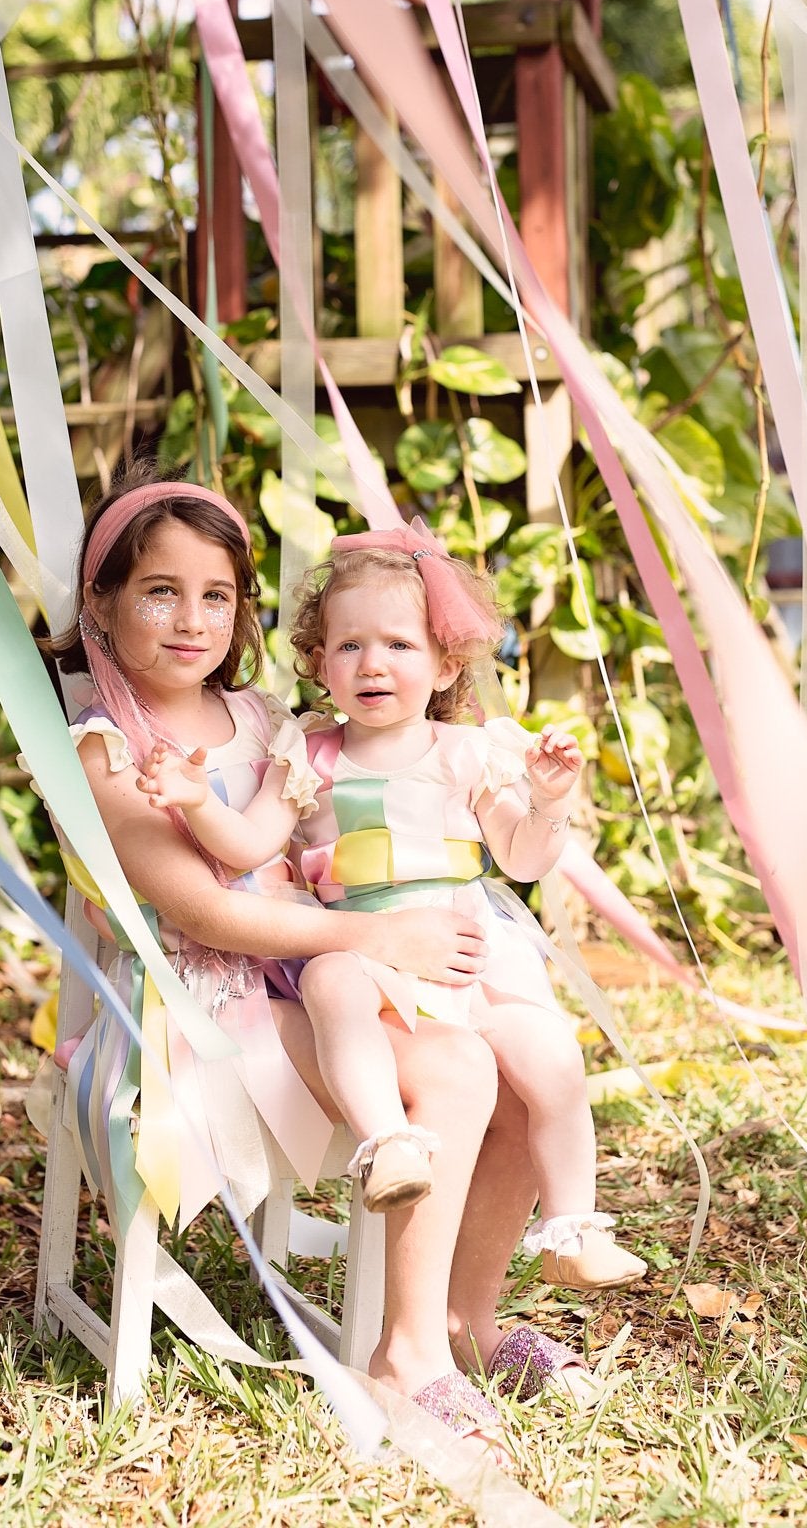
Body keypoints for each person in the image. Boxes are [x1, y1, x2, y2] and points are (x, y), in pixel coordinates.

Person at [38, 472, 597, 1456]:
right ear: (103, 601)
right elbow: (209, 911)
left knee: (514, 1066)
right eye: (160, 591)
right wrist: (374, 938)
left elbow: (307, 840)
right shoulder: (105, 750)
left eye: (216, 595)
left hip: (297, 976)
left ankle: (467, 1320)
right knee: (459, 1067)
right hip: (198, 1002)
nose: (192, 620)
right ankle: (407, 1356)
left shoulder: (260, 717)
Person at [140, 520, 646, 1290]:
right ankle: (389, 1143)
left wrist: (549, 802)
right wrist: (196, 803)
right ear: (319, 663)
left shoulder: (469, 753)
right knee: (328, 983)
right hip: (367, 949)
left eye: (400, 645)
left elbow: (521, 859)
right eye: (349, 646)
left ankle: (573, 1229)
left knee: (554, 1058)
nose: (372, 664)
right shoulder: (308, 756)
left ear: (446, 665)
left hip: (468, 953)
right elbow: (246, 846)